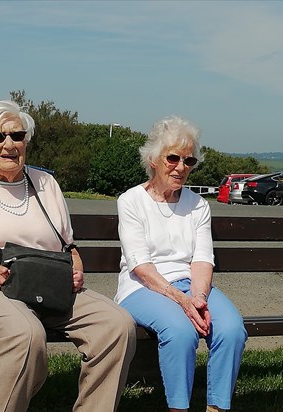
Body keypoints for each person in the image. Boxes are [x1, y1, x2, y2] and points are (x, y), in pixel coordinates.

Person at [0, 100, 136, 412]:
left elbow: (68, 246)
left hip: (44, 285)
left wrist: (76, 267)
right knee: (25, 335)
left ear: (26, 141)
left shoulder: (46, 183)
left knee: (117, 324)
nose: (9, 145)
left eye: (17, 136)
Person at [115, 115, 247, 412]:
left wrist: (198, 297)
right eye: (172, 157)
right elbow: (140, 266)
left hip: (191, 285)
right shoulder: (131, 201)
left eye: (189, 161)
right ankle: (179, 408)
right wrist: (182, 301)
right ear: (152, 159)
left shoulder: (198, 204)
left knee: (231, 329)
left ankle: (217, 407)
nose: (181, 167)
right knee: (180, 331)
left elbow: (202, 258)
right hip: (143, 288)